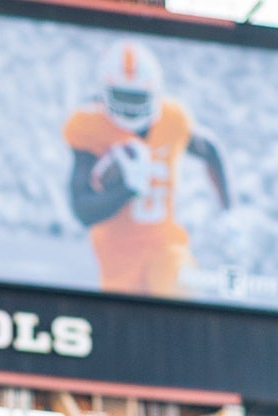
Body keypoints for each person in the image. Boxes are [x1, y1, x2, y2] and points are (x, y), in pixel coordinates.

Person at [64, 36, 229, 298]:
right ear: (104, 91)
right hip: (117, 261)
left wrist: (228, 209)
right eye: (122, 96)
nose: (130, 107)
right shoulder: (89, 128)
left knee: (180, 292)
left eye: (138, 97)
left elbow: (210, 149)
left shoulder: (172, 119)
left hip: (165, 247)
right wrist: (127, 189)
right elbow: (82, 209)